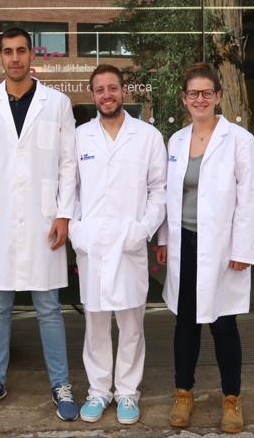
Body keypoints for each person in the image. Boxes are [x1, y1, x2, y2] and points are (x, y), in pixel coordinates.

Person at [0, 27, 79, 421]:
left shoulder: (57, 103)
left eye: (21, 51)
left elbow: (68, 163)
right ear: (0, 56)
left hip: (44, 218)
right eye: (8, 51)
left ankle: (61, 383)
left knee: (48, 306)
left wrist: (64, 213)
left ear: (32, 55)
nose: (15, 58)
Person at [156, 63, 254, 434]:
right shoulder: (176, 141)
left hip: (221, 246)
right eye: (193, 93)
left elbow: (249, 198)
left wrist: (242, 250)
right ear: (184, 98)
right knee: (185, 322)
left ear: (218, 96)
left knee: (223, 322)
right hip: (184, 241)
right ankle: (183, 393)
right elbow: (169, 196)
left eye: (206, 93)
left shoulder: (240, 140)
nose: (199, 99)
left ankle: (231, 399)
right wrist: (164, 239)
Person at [69, 64, 167, 425]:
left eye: (113, 88)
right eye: (100, 90)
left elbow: (159, 190)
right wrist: (77, 232)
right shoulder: (80, 137)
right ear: (93, 95)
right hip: (92, 245)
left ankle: (127, 392)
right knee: (95, 324)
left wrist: (142, 230)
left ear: (124, 91)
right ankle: (98, 391)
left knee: (131, 324)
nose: (107, 95)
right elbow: (68, 190)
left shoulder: (147, 136)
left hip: (129, 243)